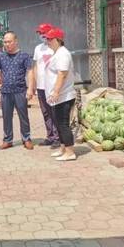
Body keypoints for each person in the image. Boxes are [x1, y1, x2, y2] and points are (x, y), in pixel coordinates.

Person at [0, 31, 34, 150]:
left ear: (15, 41)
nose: (7, 44)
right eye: (5, 42)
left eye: (9, 41)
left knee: (23, 116)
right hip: (5, 91)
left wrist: (30, 89)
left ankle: (26, 138)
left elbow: (30, 72)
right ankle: (8, 140)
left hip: (20, 90)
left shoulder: (24, 56)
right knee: (6, 117)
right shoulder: (0, 57)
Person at [43, 27, 77, 161]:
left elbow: (62, 74)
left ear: (58, 40)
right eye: (46, 39)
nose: (47, 41)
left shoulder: (63, 54)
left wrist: (56, 91)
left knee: (63, 124)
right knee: (58, 123)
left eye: (50, 39)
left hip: (64, 95)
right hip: (58, 96)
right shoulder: (57, 53)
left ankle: (70, 152)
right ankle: (63, 148)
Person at [32, 22, 60, 148]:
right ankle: (50, 136)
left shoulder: (55, 47)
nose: (41, 35)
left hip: (53, 86)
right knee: (46, 112)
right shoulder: (38, 48)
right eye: (39, 33)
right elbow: (36, 66)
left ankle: (58, 137)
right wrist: (34, 84)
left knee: (55, 112)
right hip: (41, 86)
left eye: (43, 33)